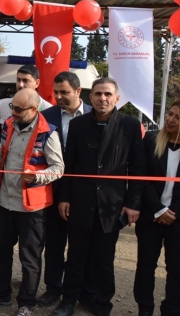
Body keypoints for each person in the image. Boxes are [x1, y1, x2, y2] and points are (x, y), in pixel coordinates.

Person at [52, 78, 146, 316]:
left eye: (107, 94)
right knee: (75, 257)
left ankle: (102, 303)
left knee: (104, 260)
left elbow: (137, 168)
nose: (102, 98)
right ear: (90, 97)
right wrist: (64, 197)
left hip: (111, 206)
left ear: (116, 98)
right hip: (80, 203)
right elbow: (69, 164)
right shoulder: (79, 125)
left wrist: (132, 203)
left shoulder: (130, 125)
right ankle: (68, 301)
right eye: (98, 94)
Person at [0, 88, 64, 316]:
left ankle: (26, 304)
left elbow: (59, 168)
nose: (13, 112)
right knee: (1, 251)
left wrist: (37, 176)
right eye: (12, 107)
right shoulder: (8, 126)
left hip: (32, 207)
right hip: (5, 202)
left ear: (34, 109)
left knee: (30, 258)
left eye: (18, 109)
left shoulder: (48, 133)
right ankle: (1, 293)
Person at [38, 72, 94, 307]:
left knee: (83, 246)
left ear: (78, 91)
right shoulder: (46, 116)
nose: (58, 96)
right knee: (54, 243)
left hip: (86, 193)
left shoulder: (95, 114)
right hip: (53, 190)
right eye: (56, 92)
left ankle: (83, 291)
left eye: (64, 92)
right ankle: (53, 288)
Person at [134, 99, 180, 316]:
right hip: (151, 216)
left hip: (177, 220)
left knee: (176, 270)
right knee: (145, 267)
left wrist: (174, 212)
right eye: (170, 114)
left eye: (177, 117)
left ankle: (170, 310)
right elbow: (141, 177)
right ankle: (145, 309)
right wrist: (159, 209)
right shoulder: (151, 140)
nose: (170, 119)